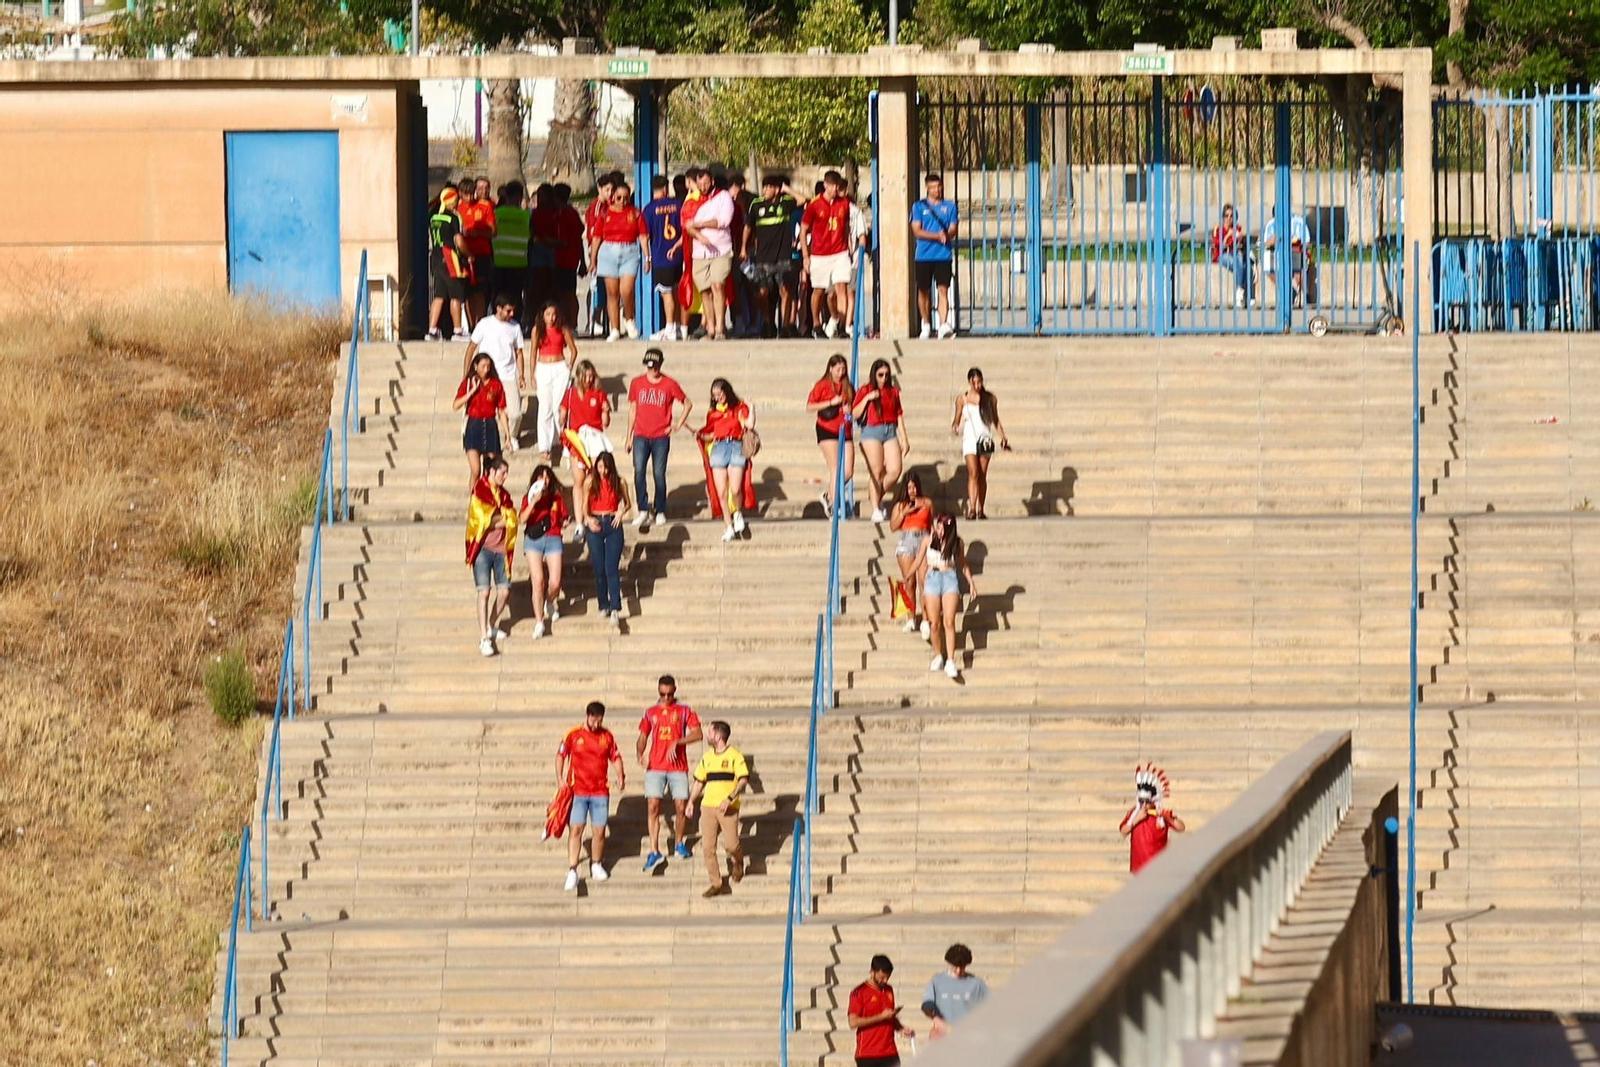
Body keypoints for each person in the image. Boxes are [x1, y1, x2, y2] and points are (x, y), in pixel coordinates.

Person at [637, 674, 703, 871]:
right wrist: (640, 753)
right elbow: (642, 735)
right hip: (656, 766)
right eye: (662, 694)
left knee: (681, 806)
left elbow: (698, 733)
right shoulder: (650, 712)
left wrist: (679, 741)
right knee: (653, 806)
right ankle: (654, 850)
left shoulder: (684, 711)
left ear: (675, 692)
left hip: (677, 766)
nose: (666, 698)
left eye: (670, 694)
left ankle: (679, 843)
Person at [558, 701, 625, 891]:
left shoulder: (606, 736)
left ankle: (596, 863)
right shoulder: (574, 734)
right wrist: (560, 778)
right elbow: (561, 755)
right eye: (593, 720)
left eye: (599, 720)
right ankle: (572, 868)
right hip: (578, 790)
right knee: (576, 829)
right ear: (587, 716)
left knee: (599, 831)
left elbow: (616, 757)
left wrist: (620, 775)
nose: (596, 724)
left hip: (599, 792)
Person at [626, 348, 692, 529]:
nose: (652, 370)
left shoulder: (669, 384)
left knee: (658, 473)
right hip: (640, 434)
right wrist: (629, 436)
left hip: (661, 435)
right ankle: (643, 509)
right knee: (639, 471)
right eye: (649, 367)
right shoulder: (637, 383)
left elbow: (687, 403)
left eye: (655, 366)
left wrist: (678, 424)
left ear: (660, 365)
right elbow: (633, 410)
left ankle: (660, 509)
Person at [686, 719, 748, 898]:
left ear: (719, 735)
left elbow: (743, 780)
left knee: (731, 845)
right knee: (708, 848)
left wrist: (730, 797)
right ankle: (716, 882)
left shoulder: (735, 756)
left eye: (710, 732)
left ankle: (738, 861)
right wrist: (691, 801)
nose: (707, 735)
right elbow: (699, 782)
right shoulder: (707, 757)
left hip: (727, 807)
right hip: (708, 806)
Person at [465, 456, 517, 657]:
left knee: (504, 592)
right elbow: (482, 518)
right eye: (502, 472)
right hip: (483, 549)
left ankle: (490, 624)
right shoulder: (480, 489)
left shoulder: (504, 494)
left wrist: (502, 518)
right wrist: (502, 518)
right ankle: (483, 638)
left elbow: (512, 516)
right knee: (484, 592)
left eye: (506, 473)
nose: (505, 476)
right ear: (492, 472)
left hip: (501, 549)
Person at [913, 513, 975, 680]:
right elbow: (919, 560)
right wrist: (908, 576)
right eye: (937, 526)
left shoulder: (957, 542)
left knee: (949, 621)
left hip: (949, 578)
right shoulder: (928, 539)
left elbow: (963, 565)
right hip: (932, 577)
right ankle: (938, 655)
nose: (938, 530)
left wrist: (971, 583)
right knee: (935, 624)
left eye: (941, 527)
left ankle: (950, 660)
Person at [463, 293, 526, 451]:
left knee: (516, 412)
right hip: (487, 376)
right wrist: (467, 374)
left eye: (513, 311)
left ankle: (510, 436)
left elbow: (518, 352)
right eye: (508, 311)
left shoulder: (515, 327)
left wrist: (521, 374)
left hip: (508, 375)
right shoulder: (484, 324)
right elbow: (471, 348)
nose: (511, 314)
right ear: (498, 309)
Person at [591, 180, 650, 342]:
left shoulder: (635, 213)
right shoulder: (605, 213)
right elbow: (597, 237)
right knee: (612, 293)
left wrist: (647, 256)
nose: (622, 202)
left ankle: (629, 318)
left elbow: (643, 236)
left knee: (627, 290)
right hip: (608, 252)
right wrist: (593, 260)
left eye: (625, 198)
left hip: (629, 251)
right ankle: (615, 328)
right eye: (619, 198)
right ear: (612, 198)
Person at [852, 359, 910, 524]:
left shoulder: (893, 391)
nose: (883, 378)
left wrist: (904, 438)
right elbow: (855, 413)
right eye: (880, 375)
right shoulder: (866, 389)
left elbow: (898, 414)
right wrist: (868, 398)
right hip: (872, 430)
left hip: (890, 430)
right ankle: (876, 508)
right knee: (876, 471)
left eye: (886, 375)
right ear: (874, 375)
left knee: (894, 470)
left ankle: (875, 496)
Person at [579, 451, 633, 625]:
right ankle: (604, 604)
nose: (603, 471)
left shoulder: (620, 481)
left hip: (612, 523)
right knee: (599, 567)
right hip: (595, 522)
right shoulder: (589, 482)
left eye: (605, 467)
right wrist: (587, 519)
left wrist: (621, 512)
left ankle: (615, 607)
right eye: (600, 467)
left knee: (611, 567)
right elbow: (584, 506)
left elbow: (628, 503)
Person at [697, 377, 754, 542]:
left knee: (735, 489)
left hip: (735, 446)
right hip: (719, 448)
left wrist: (752, 408)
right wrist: (701, 435)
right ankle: (728, 526)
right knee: (721, 492)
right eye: (714, 395)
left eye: (719, 394)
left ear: (726, 392)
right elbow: (711, 434)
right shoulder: (713, 413)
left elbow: (749, 425)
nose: (717, 398)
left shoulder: (738, 409)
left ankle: (737, 513)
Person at [801, 170, 854, 339]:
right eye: (831, 185)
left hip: (840, 252)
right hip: (820, 254)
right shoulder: (814, 205)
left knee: (841, 287)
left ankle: (844, 326)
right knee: (819, 289)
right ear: (825, 185)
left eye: (837, 185)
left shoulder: (844, 203)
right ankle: (816, 324)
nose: (834, 189)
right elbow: (803, 231)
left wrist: (849, 247)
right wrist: (806, 256)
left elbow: (846, 226)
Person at [518, 463, 569, 640]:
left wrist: (565, 521)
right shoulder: (528, 497)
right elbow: (522, 519)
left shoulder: (556, 498)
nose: (545, 481)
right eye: (541, 477)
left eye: (548, 477)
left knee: (555, 582)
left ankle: (549, 600)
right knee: (538, 581)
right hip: (533, 540)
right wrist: (534, 502)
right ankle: (539, 621)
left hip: (553, 537)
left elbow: (563, 516)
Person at [745, 174, 800, 338]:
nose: (765, 190)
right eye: (764, 187)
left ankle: (785, 326)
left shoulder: (786, 203)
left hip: (783, 256)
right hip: (763, 257)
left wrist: (786, 189)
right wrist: (743, 247)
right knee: (762, 292)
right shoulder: (756, 204)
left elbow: (803, 200)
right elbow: (748, 227)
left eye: (769, 187)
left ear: (776, 189)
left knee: (785, 290)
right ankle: (768, 322)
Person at [684, 169, 735, 341]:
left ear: (712, 181)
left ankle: (721, 328)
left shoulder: (723, 197)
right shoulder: (692, 202)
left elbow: (724, 221)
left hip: (721, 249)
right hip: (699, 252)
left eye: (706, 183)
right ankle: (711, 328)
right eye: (700, 185)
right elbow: (687, 225)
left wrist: (699, 223)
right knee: (705, 290)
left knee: (718, 285)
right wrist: (699, 235)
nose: (703, 187)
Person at [952, 367, 1009, 520]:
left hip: (985, 438)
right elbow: (957, 418)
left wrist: (1003, 437)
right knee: (973, 473)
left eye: (979, 382)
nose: (977, 385)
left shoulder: (990, 399)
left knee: (982, 475)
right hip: (970, 438)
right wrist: (955, 426)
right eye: (974, 382)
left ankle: (981, 508)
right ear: (969, 382)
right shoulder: (962, 399)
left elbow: (995, 420)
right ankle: (972, 508)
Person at [806, 354, 855, 518]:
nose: (840, 372)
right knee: (835, 467)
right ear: (830, 368)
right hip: (827, 428)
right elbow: (810, 406)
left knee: (848, 470)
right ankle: (834, 505)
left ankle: (828, 495)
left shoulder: (848, 386)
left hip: (845, 429)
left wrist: (849, 413)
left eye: (843, 369)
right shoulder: (823, 385)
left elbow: (852, 410)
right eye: (838, 369)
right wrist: (830, 402)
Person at [912, 173, 960, 339]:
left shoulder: (950, 206)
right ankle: (926, 323)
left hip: (943, 255)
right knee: (923, 291)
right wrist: (936, 236)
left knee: (943, 290)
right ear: (927, 188)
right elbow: (916, 230)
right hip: (924, 255)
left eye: (939, 186)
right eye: (933, 187)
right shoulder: (918, 207)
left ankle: (943, 324)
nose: (937, 190)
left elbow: (953, 227)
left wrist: (948, 233)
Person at [452, 352, 510, 488]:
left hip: (490, 424)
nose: (486, 370)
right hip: (474, 424)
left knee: (490, 469)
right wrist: (472, 390)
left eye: (488, 366)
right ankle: (474, 500)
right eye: (483, 366)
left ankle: (488, 499)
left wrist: (507, 434)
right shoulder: (467, 383)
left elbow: (501, 410)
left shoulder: (496, 384)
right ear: (475, 366)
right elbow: (455, 405)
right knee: (475, 470)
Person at [529, 301, 578, 459]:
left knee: (559, 407)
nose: (552, 318)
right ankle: (544, 446)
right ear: (542, 315)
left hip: (559, 367)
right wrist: (532, 374)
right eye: (548, 314)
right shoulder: (537, 330)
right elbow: (532, 353)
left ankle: (563, 442)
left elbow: (573, 349)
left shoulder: (563, 329)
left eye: (554, 314)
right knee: (545, 408)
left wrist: (569, 366)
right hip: (543, 368)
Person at [889, 474, 933, 639]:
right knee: (909, 582)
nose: (912, 491)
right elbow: (893, 526)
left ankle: (926, 619)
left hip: (922, 539)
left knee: (924, 581)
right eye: (909, 488)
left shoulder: (927, 503)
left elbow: (931, 524)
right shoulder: (900, 506)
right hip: (906, 541)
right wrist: (904, 513)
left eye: (914, 487)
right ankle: (911, 617)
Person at [849, 954, 913, 1066]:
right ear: (872, 972)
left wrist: (900, 1028)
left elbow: (889, 1016)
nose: (885, 980)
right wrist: (881, 1017)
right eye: (882, 977)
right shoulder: (859, 992)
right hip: (868, 1053)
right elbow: (853, 1022)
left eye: (888, 977)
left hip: (889, 1051)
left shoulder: (889, 990)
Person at [1121, 763, 1187, 873]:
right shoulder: (1134, 813)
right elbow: (1123, 830)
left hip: (1158, 868)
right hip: (1139, 868)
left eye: (1147, 801)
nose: (1144, 804)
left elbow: (1181, 827)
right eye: (1141, 801)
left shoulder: (1161, 815)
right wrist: (1137, 819)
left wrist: (1168, 818)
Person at [559, 358, 613, 488]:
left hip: (594, 436)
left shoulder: (599, 394)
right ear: (579, 376)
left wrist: (605, 411)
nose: (589, 380)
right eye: (586, 376)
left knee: (595, 475)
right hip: (577, 438)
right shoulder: (570, 393)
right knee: (578, 480)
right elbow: (563, 415)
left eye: (591, 376)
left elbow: (605, 423)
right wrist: (562, 425)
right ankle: (579, 509)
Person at [644, 174, 685, 341]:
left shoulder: (649, 209)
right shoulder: (678, 205)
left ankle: (669, 328)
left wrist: (647, 258)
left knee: (666, 293)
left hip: (661, 255)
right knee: (675, 292)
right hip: (677, 254)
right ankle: (676, 326)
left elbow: (645, 235)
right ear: (666, 188)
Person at [427, 187, 471, 341]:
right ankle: (458, 331)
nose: (458, 202)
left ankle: (432, 330)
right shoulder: (453, 218)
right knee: (456, 296)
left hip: (436, 258)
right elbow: (459, 241)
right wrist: (469, 254)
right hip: (451, 259)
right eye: (456, 199)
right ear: (452, 201)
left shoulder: (433, 217)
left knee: (439, 295)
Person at [920, 944, 990, 1038]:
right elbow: (927, 1004)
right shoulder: (937, 980)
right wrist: (937, 1020)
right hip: (943, 1033)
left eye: (962, 967)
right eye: (955, 967)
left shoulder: (976, 983)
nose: (958, 970)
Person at [491, 179, 532, 322]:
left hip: (499, 261)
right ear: (520, 197)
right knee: (516, 297)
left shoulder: (496, 214)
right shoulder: (526, 216)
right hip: (519, 262)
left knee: (497, 295)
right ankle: (515, 323)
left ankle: (497, 321)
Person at [584, 172, 618, 337]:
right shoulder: (597, 207)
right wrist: (594, 257)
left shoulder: (611, 205)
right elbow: (595, 232)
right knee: (596, 286)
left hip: (610, 250)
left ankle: (611, 321)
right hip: (599, 250)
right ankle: (595, 319)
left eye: (612, 189)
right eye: (607, 190)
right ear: (600, 189)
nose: (610, 193)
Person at [460, 176, 498, 323]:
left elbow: (494, 232)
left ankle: (480, 323)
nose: (470, 197)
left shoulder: (485, 206)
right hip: (464, 255)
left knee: (480, 291)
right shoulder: (458, 208)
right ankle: (471, 325)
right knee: (468, 292)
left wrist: (479, 233)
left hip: (482, 254)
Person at [550, 183, 585, 333]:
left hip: (563, 259)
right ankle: (571, 324)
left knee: (566, 294)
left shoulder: (563, 214)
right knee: (569, 293)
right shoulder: (573, 213)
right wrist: (582, 260)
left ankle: (570, 324)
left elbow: (562, 240)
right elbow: (579, 237)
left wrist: (545, 240)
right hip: (572, 258)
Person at [1262, 209, 1312, 308]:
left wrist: (1297, 244)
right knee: (1268, 268)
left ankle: (1306, 295)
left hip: (1296, 252)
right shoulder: (1271, 224)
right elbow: (1266, 244)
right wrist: (1272, 240)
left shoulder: (1299, 222)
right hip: (1278, 254)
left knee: (1299, 272)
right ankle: (1289, 291)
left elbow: (1307, 242)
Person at [1210, 203, 1253, 309]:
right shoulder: (1218, 229)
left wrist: (1239, 239)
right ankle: (1242, 295)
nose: (1229, 218)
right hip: (1222, 255)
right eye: (1226, 215)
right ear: (1223, 217)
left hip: (1236, 254)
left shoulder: (1237, 228)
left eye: (1231, 216)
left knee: (1245, 263)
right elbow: (1219, 246)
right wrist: (1228, 236)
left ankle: (1241, 295)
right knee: (1239, 262)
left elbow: (1241, 245)